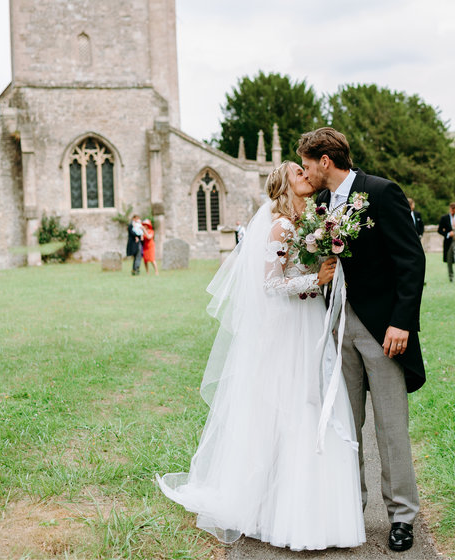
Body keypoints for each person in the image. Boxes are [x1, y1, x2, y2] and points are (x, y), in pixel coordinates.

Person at [158, 161, 365, 551]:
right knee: (290, 404)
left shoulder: (307, 223)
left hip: (307, 317)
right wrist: (314, 279)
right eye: (298, 173)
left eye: (306, 171)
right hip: (289, 324)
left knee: (310, 400)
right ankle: (274, 510)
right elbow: (271, 283)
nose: (306, 175)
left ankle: (311, 511)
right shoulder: (282, 225)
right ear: (285, 184)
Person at [300, 127, 426, 553]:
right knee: (344, 426)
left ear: (325, 161)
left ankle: (402, 516)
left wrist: (401, 323)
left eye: (306, 164)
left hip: (382, 330)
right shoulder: (319, 204)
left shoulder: (382, 191)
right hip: (336, 327)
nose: (305, 172)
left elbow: (411, 260)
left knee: (391, 428)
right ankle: (350, 507)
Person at [437, 202, 455, 283]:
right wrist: (447, 234)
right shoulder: (444, 218)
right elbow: (439, 230)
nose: (452, 211)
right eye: (451, 209)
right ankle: (451, 277)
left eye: (454, 209)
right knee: (449, 261)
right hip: (448, 243)